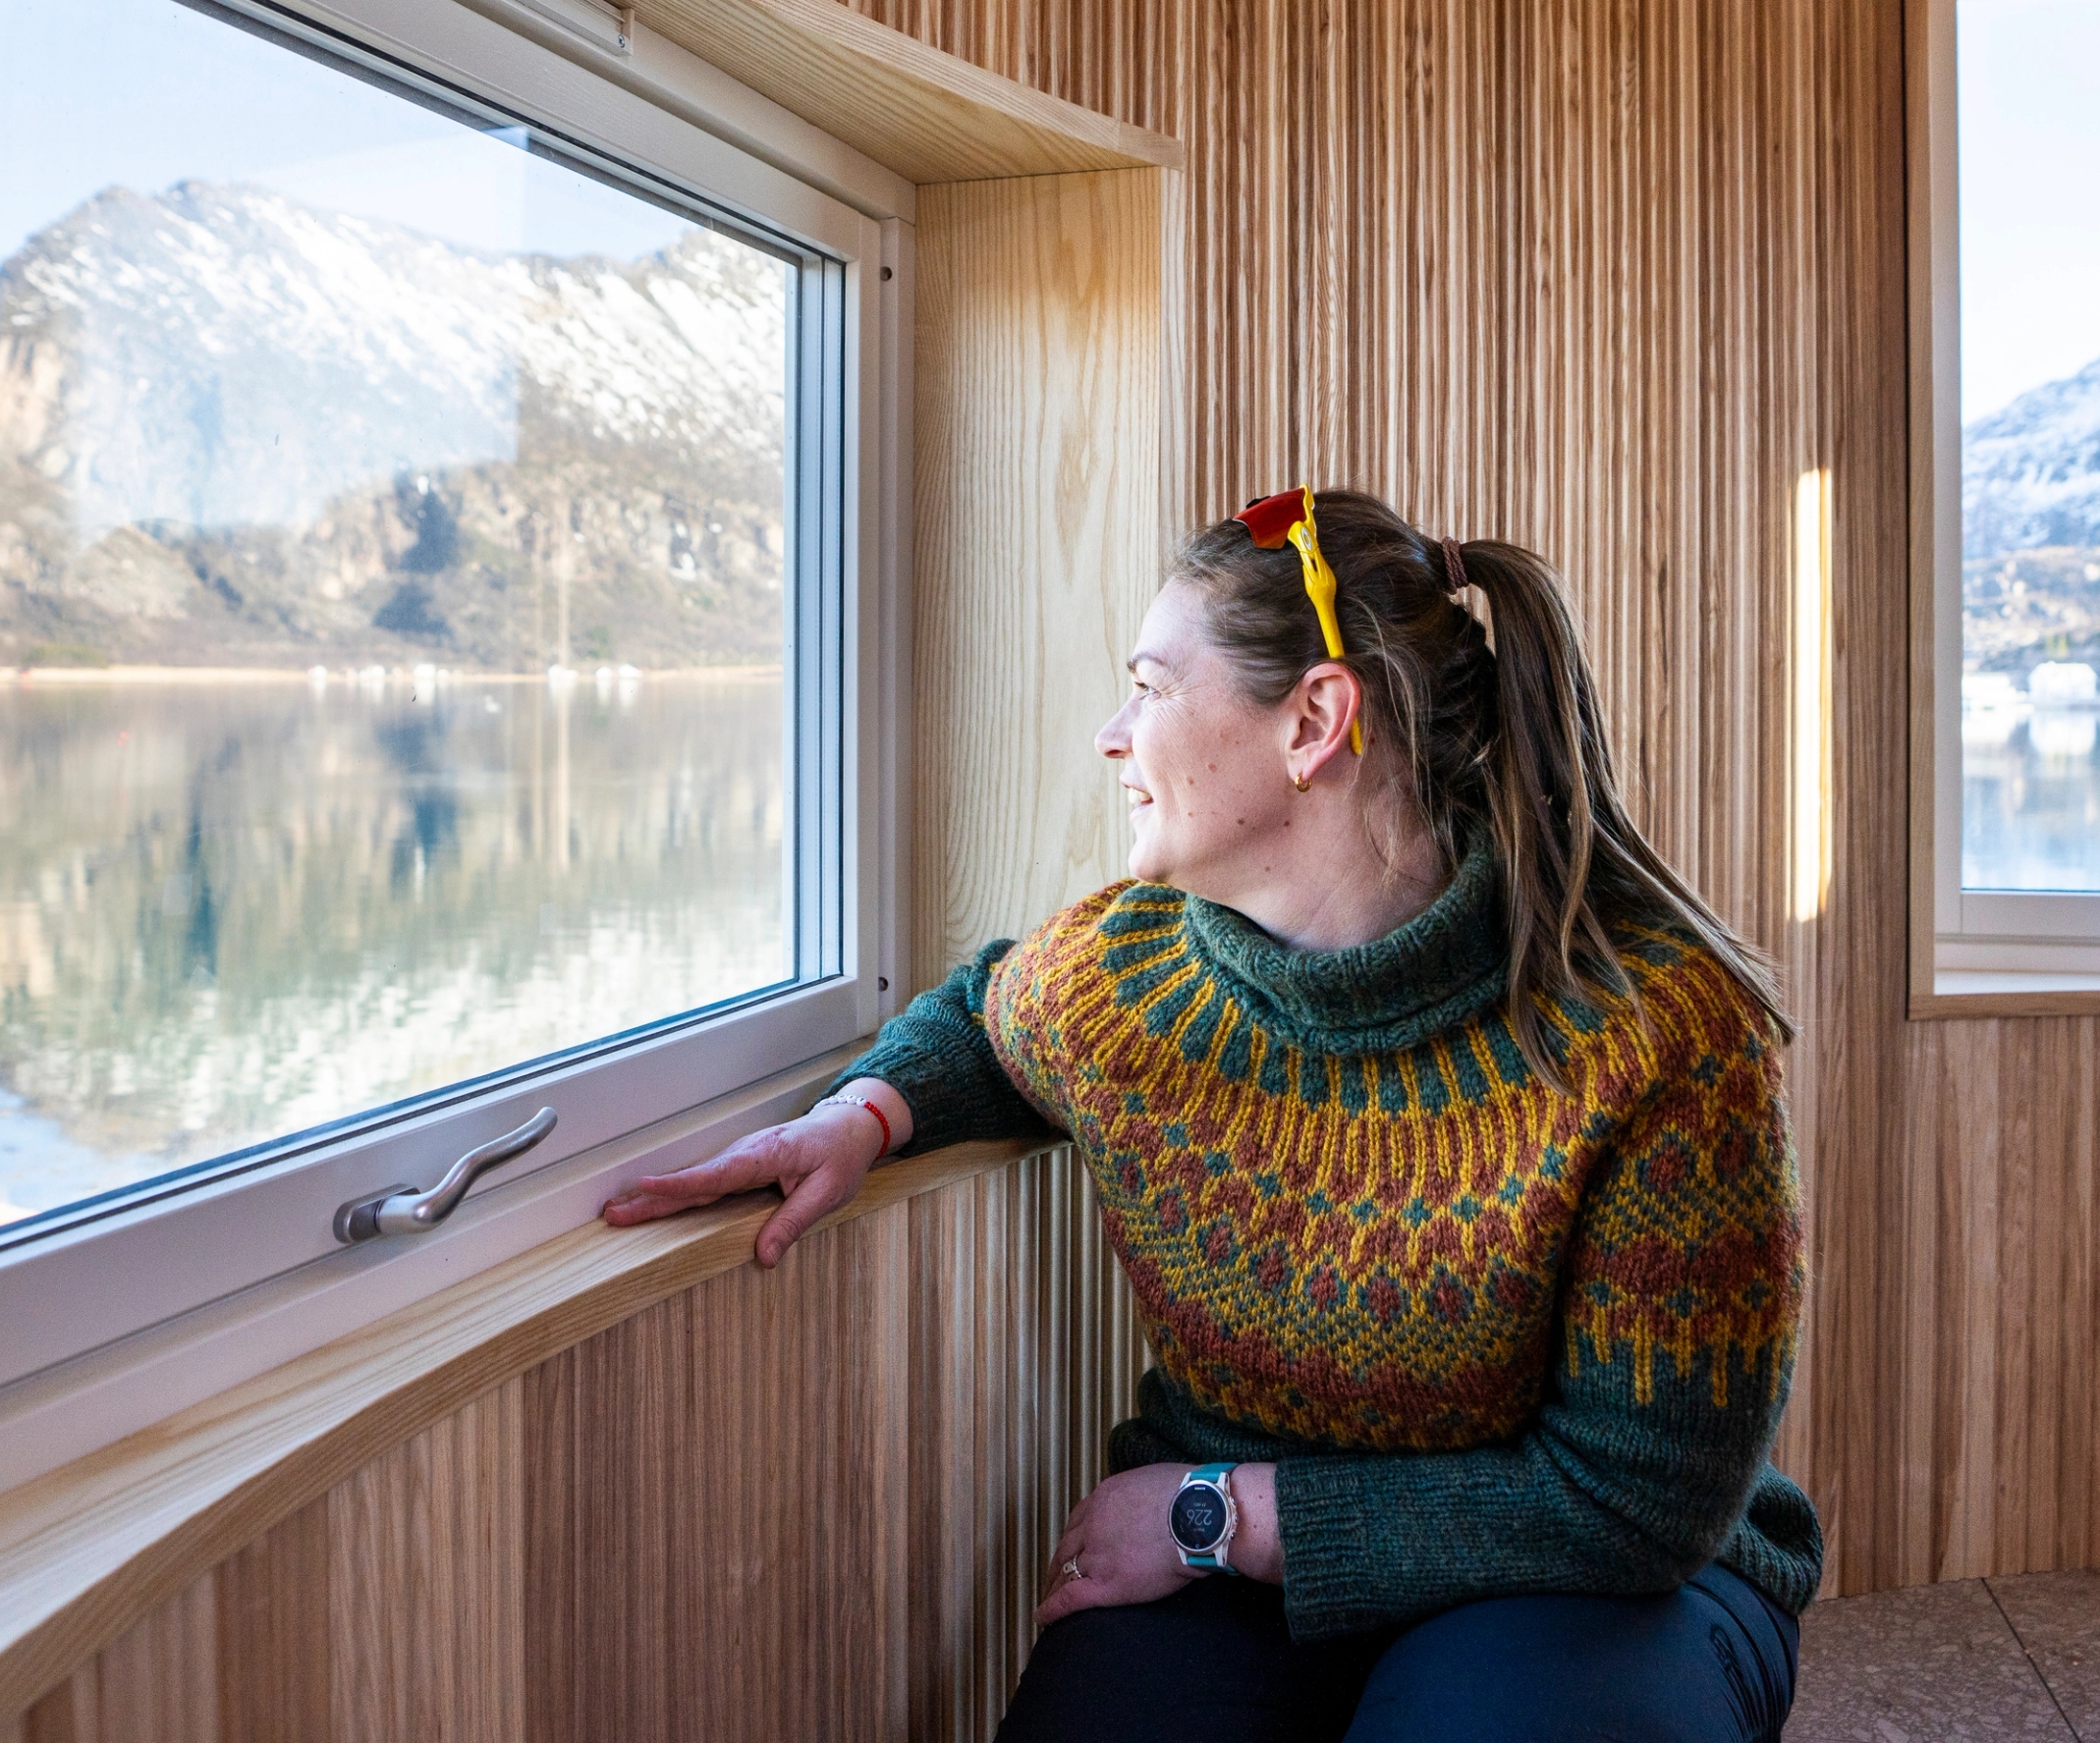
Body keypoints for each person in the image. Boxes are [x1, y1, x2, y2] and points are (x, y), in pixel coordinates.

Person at [601, 487, 1815, 1743]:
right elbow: (980, 1016)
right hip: (1224, 1578)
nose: (1110, 734)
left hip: (1593, 1583)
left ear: (1315, 721)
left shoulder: (1657, 1029)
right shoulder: (1128, 980)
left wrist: (1221, 1514)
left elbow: (1635, 1507)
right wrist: (861, 1112)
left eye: (1151, 686)